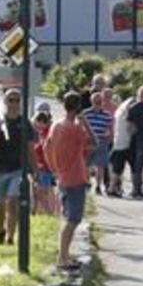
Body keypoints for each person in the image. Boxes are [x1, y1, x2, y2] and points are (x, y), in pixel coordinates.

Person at [44, 92, 94, 271]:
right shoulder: (75, 129)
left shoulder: (56, 126)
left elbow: (46, 147)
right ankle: (62, 256)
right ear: (78, 107)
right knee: (73, 219)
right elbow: (93, 143)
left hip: (62, 176)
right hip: (76, 177)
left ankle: (64, 254)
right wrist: (85, 123)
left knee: (66, 218)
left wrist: (53, 168)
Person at [0, 90, 28, 246]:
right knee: (0, 206)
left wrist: (33, 169)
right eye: (10, 100)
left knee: (13, 202)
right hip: (0, 168)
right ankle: (1, 230)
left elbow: (30, 146)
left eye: (17, 100)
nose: (13, 104)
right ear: (5, 102)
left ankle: (11, 237)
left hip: (17, 169)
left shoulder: (24, 122)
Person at [83, 92, 114, 195]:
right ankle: (87, 183)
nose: (98, 104)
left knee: (100, 165)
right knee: (86, 164)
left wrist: (109, 139)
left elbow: (110, 128)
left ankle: (98, 185)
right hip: (88, 141)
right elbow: (81, 128)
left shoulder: (107, 115)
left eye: (100, 101)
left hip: (101, 141)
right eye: (96, 101)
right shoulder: (86, 113)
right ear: (91, 102)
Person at [31, 108, 58, 216]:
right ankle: (36, 212)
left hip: (45, 167)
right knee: (37, 192)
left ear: (42, 122)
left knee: (42, 193)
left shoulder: (47, 134)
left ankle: (48, 213)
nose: (36, 125)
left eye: (37, 122)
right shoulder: (41, 133)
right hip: (39, 166)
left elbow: (47, 150)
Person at [108, 95, 133, 198]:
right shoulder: (125, 115)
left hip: (117, 142)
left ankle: (115, 188)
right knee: (118, 169)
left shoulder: (118, 113)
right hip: (124, 143)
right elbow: (129, 128)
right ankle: (112, 188)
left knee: (117, 169)